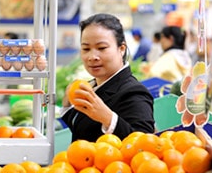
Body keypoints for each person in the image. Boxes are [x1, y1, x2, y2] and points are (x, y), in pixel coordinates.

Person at [60, 13, 155, 142]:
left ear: (121, 49)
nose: (92, 56)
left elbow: (144, 144)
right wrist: (67, 106)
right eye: (86, 49)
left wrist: (108, 118)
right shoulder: (92, 86)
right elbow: (83, 130)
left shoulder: (134, 92)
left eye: (101, 48)